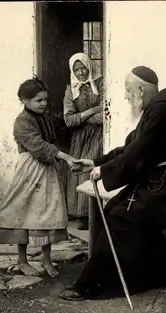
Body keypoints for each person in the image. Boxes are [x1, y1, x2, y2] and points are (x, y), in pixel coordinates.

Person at [58, 66, 166, 301]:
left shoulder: (163, 111)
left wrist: (105, 171)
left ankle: (90, 285)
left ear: (141, 89)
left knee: (122, 216)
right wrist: (94, 162)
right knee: (113, 209)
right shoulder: (156, 109)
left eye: (128, 90)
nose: (126, 96)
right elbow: (130, 148)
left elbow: (136, 155)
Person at [0, 77, 79, 278]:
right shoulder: (22, 121)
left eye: (45, 100)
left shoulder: (44, 117)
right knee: (23, 213)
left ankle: (46, 259)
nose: (43, 104)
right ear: (24, 100)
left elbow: (50, 141)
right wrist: (64, 156)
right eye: (38, 100)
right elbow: (38, 146)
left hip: (46, 170)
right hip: (29, 169)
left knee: (47, 213)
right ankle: (22, 261)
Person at [63, 53, 104, 229]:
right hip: (80, 138)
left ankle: (95, 214)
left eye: (83, 68)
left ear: (89, 66)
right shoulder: (70, 89)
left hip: (98, 135)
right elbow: (68, 120)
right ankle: (80, 215)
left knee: (93, 168)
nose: (80, 73)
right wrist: (90, 111)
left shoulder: (101, 83)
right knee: (79, 171)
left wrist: (80, 116)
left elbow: (104, 115)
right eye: (76, 69)